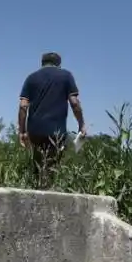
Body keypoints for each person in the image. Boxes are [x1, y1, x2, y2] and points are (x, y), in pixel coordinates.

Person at [17, 52, 87, 187]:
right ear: (58, 64)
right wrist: (81, 124)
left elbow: (23, 106)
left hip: (35, 131)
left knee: (37, 169)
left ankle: (35, 194)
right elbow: (74, 102)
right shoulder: (66, 76)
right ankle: (49, 195)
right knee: (52, 170)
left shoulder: (31, 78)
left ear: (42, 63)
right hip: (56, 132)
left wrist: (22, 131)